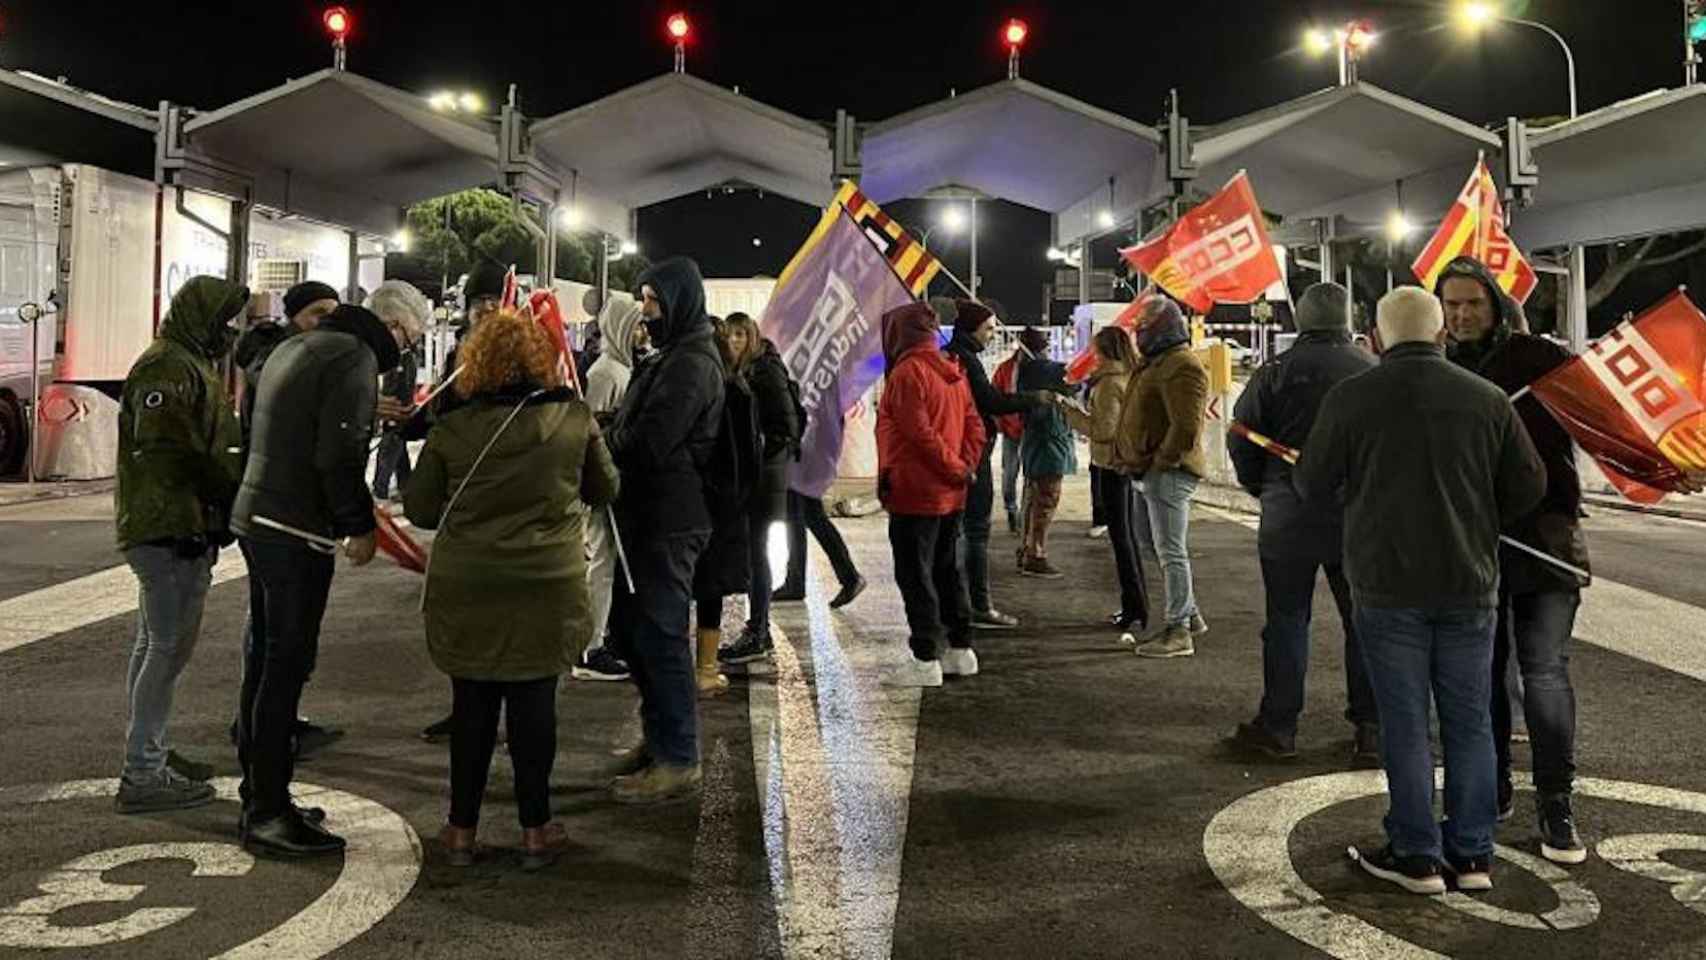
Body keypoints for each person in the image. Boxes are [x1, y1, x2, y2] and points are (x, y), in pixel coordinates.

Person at [1299, 286, 1546, 895]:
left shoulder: (1352, 398)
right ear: (1441, 336)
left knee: (1406, 723)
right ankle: (1472, 854)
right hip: (1469, 583)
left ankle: (1415, 853)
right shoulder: (1487, 399)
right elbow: (1529, 486)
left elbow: (1311, 483)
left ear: (1378, 340)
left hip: (1386, 586)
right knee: (1469, 723)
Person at [405, 308, 618, 871]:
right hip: (546, 582)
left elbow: (422, 510)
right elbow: (605, 487)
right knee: (533, 708)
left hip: (468, 583)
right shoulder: (574, 418)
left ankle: (460, 831)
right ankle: (534, 829)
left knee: (471, 708)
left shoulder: (452, 427)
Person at [231, 301, 416, 857]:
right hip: (295, 527)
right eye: (409, 335)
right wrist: (358, 525)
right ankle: (267, 813)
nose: (404, 349)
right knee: (286, 668)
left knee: (264, 661)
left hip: (257, 514)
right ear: (392, 327)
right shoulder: (353, 357)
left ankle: (260, 791)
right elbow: (337, 454)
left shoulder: (299, 345)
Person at [1439, 256, 1590, 863]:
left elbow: (1602, 419)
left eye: (1472, 302)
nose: (1462, 315)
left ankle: (1556, 803)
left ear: (1496, 303)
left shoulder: (1540, 359)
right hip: (1472, 545)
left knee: (1545, 672)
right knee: (1482, 676)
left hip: (1545, 541)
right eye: (1450, 305)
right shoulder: (1439, 368)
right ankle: (1494, 785)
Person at [1224, 283, 1380, 765]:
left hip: (1287, 517)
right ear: (1347, 319)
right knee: (1363, 623)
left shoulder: (1276, 372)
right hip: (1357, 517)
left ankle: (1279, 727)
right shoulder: (1372, 372)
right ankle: (1372, 729)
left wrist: (1263, 488)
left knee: (1287, 620)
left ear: (1303, 321)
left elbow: (1241, 436)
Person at [113, 276, 249, 814]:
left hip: (173, 524)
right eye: (224, 320)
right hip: (170, 527)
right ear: (202, 318)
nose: (230, 332)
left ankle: (149, 753)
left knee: (154, 644)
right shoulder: (169, 366)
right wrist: (225, 491)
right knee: (167, 648)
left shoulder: (183, 361)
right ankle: (142, 771)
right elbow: (168, 448)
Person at [603, 257, 725, 804]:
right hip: (646, 515)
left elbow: (652, 442)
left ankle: (679, 756)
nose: (645, 312)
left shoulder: (691, 364)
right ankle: (658, 741)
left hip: (668, 519)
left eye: (653, 300)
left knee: (661, 637)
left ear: (679, 302)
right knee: (634, 635)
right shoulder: (673, 357)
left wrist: (602, 441)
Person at [231, 281, 347, 761]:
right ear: (294, 315)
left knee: (276, 636)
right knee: (276, 639)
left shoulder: (287, 360)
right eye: (317, 313)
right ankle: (262, 740)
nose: (326, 323)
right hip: (277, 515)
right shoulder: (279, 364)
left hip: (276, 513)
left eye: (333, 314)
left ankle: (271, 727)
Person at [413, 261, 508, 743]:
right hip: (462, 501)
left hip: (502, 500)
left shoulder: (521, 355)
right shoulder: (457, 355)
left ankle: (503, 718)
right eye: (479, 303)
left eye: (494, 301)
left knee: (507, 620)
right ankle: (469, 711)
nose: (486, 309)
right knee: (466, 618)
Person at [877, 302, 985, 687]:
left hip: (914, 491)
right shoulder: (953, 371)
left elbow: (919, 435)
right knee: (945, 569)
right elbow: (976, 427)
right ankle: (961, 648)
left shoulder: (908, 373)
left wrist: (955, 469)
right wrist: (964, 469)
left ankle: (925, 656)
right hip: (950, 494)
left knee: (915, 573)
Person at [1113, 298, 1210, 659]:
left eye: (1145, 322)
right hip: (1148, 469)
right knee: (1151, 543)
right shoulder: (1157, 362)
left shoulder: (1181, 365)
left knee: (1170, 550)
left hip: (1167, 472)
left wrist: (1162, 461)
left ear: (1163, 326)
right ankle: (1190, 614)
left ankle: (1179, 628)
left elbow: (1186, 426)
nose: (1138, 328)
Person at [945, 301, 1045, 626]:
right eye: (988, 328)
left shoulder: (953, 354)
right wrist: (1033, 398)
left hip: (961, 451)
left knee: (959, 532)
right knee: (975, 531)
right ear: (973, 328)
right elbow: (990, 401)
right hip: (972, 454)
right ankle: (978, 606)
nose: (991, 335)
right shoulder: (966, 359)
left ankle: (957, 605)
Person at [717, 313, 799, 668]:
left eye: (740, 334)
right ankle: (757, 627)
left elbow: (787, 425)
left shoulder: (765, 372)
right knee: (752, 553)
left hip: (764, 480)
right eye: (730, 334)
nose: (734, 341)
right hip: (755, 478)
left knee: (757, 554)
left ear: (752, 337)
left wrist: (758, 454)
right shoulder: (744, 372)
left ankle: (759, 629)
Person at [573, 298, 646, 683]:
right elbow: (590, 430)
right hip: (605, 483)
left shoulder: (622, 367)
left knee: (608, 564)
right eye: (634, 325)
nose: (641, 332)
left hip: (616, 481)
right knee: (600, 564)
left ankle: (602, 639)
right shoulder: (606, 372)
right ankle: (589, 647)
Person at [1057, 325, 1148, 630]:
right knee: (1127, 537)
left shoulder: (1109, 384)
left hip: (1111, 465)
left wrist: (1070, 413)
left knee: (1122, 539)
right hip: (1121, 464)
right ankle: (1136, 604)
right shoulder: (1128, 376)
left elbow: (1103, 430)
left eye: (1096, 350)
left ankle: (1134, 606)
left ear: (1106, 351)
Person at [687, 315, 753, 698]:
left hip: (703, 498)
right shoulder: (736, 388)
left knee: (694, 584)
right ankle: (706, 668)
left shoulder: (707, 389)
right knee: (710, 587)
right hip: (724, 503)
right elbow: (748, 458)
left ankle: (697, 668)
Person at [1015, 328, 1075, 578]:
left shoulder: (1026, 369)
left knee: (1033, 499)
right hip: (1048, 446)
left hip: (1037, 445)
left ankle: (1027, 548)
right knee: (1046, 501)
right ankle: (1036, 554)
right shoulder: (1041, 369)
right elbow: (1072, 380)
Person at [990, 342, 1028, 534]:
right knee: (1017, 473)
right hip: (1020, 430)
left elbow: (994, 396)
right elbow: (995, 397)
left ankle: (1015, 512)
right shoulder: (1009, 369)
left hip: (1017, 429)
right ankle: (1015, 512)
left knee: (1012, 473)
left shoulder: (1006, 368)